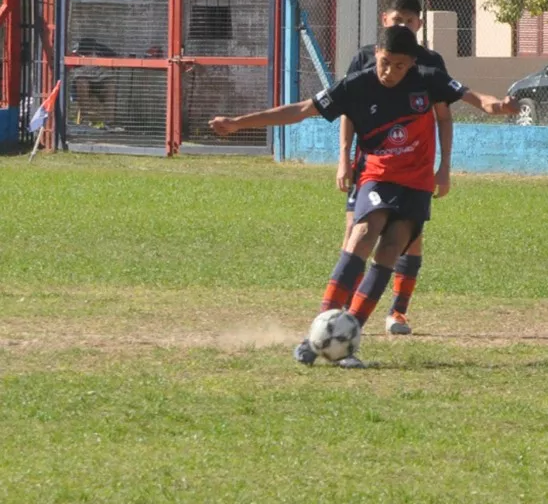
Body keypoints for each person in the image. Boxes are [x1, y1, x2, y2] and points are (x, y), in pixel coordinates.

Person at [209, 25, 516, 368]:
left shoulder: (429, 78)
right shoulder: (358, 84)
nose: (391, 72)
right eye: (385, 63)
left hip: (415, 183)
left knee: (390, 248)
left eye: (400, 66)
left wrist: (497, 106)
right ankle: (317, 334)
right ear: (377, 56)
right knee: (362, 236)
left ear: (411, 63)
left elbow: (476, 99)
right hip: (377, 176)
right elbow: (301, 109)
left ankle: (347, 340)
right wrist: (239, 123)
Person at [340, 0, 449, 336]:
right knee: (355, 233)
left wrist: (443, 167)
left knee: (408, 239)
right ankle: (342, 312)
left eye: (409, 20)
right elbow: (347, 108)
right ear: (384, 19)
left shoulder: (431, 63)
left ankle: (397, 312)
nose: (403, 25)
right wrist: (343, 157)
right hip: (370, 164)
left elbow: (443, 114)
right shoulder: (365, 58)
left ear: (419, 24)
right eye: (397, 19)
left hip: (413, 169)